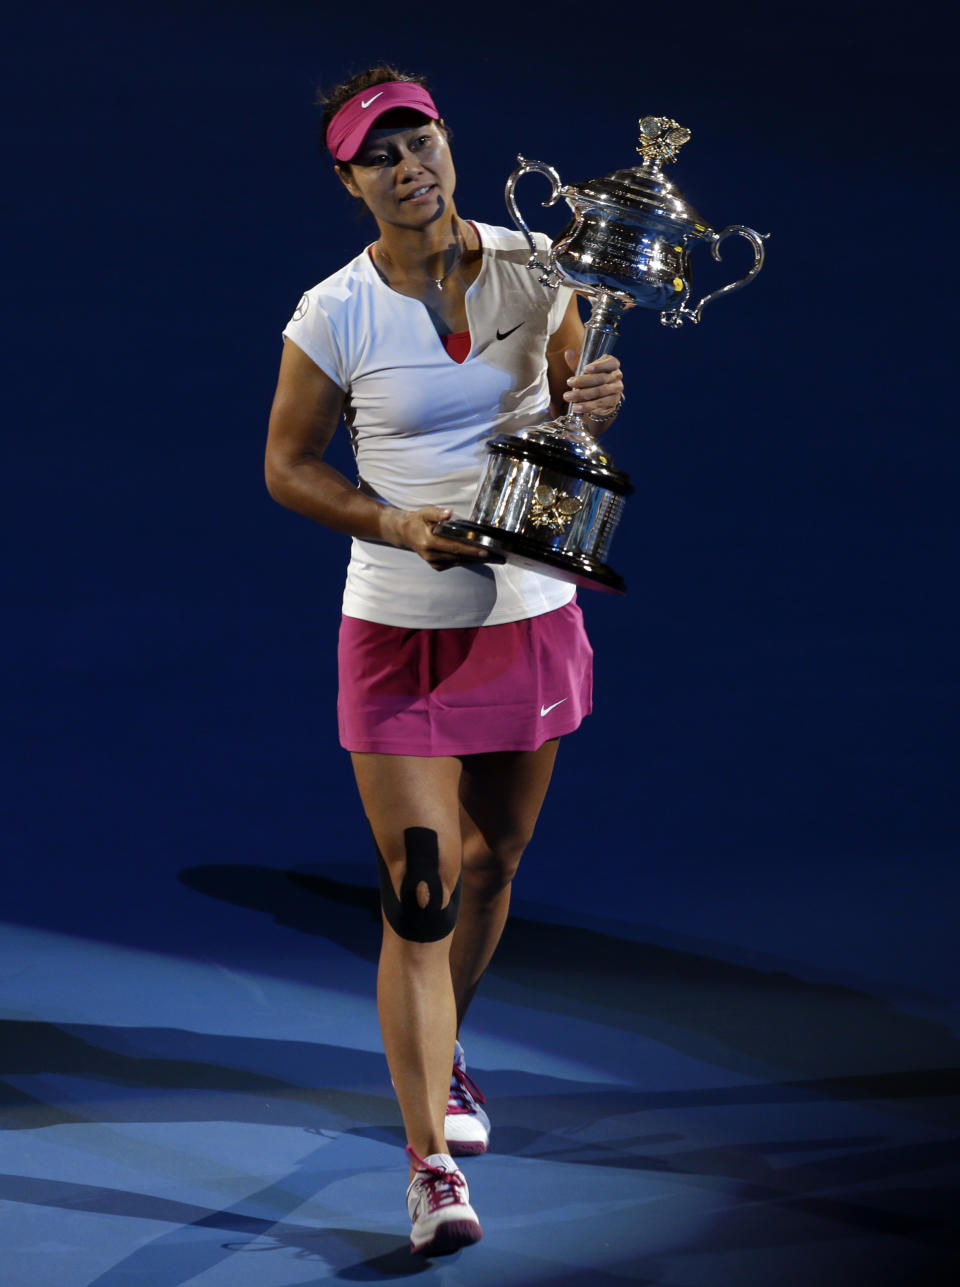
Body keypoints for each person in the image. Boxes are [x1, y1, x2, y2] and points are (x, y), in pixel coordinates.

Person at [264, 66, 624, 1257]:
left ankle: (444, 1052)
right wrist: (403, 526)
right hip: (399, 631)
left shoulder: (542, 265)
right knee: (420, 893)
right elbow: (291, 466)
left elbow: (569, 419)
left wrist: (598, 398)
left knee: (495, 859)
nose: (407, 166)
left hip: (530, 608)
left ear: (448, 143)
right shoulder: (333, 312)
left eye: (419, 141)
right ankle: (427, 1167)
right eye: (379, 154)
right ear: (348, 180)